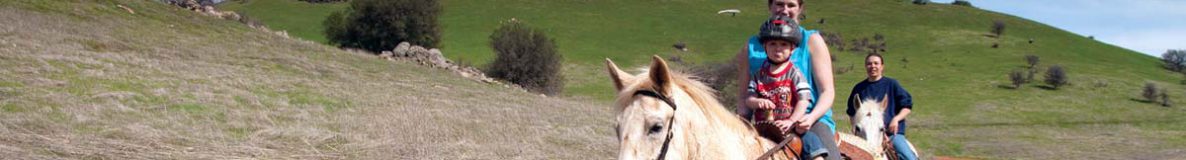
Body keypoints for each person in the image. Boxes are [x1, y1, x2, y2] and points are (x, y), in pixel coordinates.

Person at [735, 0, 840, 159]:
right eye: (779, 4)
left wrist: (809, 118)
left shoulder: (811, 40)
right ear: (770, 6)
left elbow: (827, 91)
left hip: (808, 120)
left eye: (791, 5)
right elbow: (744, 95)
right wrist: (741, 123)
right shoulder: (750, 46)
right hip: (764, 122)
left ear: (800, 8)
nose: (784, 10)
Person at [746, 16, 826, 160]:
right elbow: (749, 99)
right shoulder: (759, 75)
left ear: (792, 49)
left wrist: (792, 120)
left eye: (783, 44)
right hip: (763, 128)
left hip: (790, 127)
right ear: (765, 47)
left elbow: (804, 100)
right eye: (772, 44)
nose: (778, 48)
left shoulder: (794, 73)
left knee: (811, 143)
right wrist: (757, 102)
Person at [846, 53, 918, 160]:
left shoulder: (892, 84)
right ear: (866, 66)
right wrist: (855, 128)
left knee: (908, 157)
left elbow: (907, 106)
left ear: (882, 66)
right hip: (864, 136)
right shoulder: (859, 88)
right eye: (869, 64)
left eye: (876, 63)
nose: (873, 66)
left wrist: (896, 119)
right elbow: (852, 113)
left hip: (891, 134)